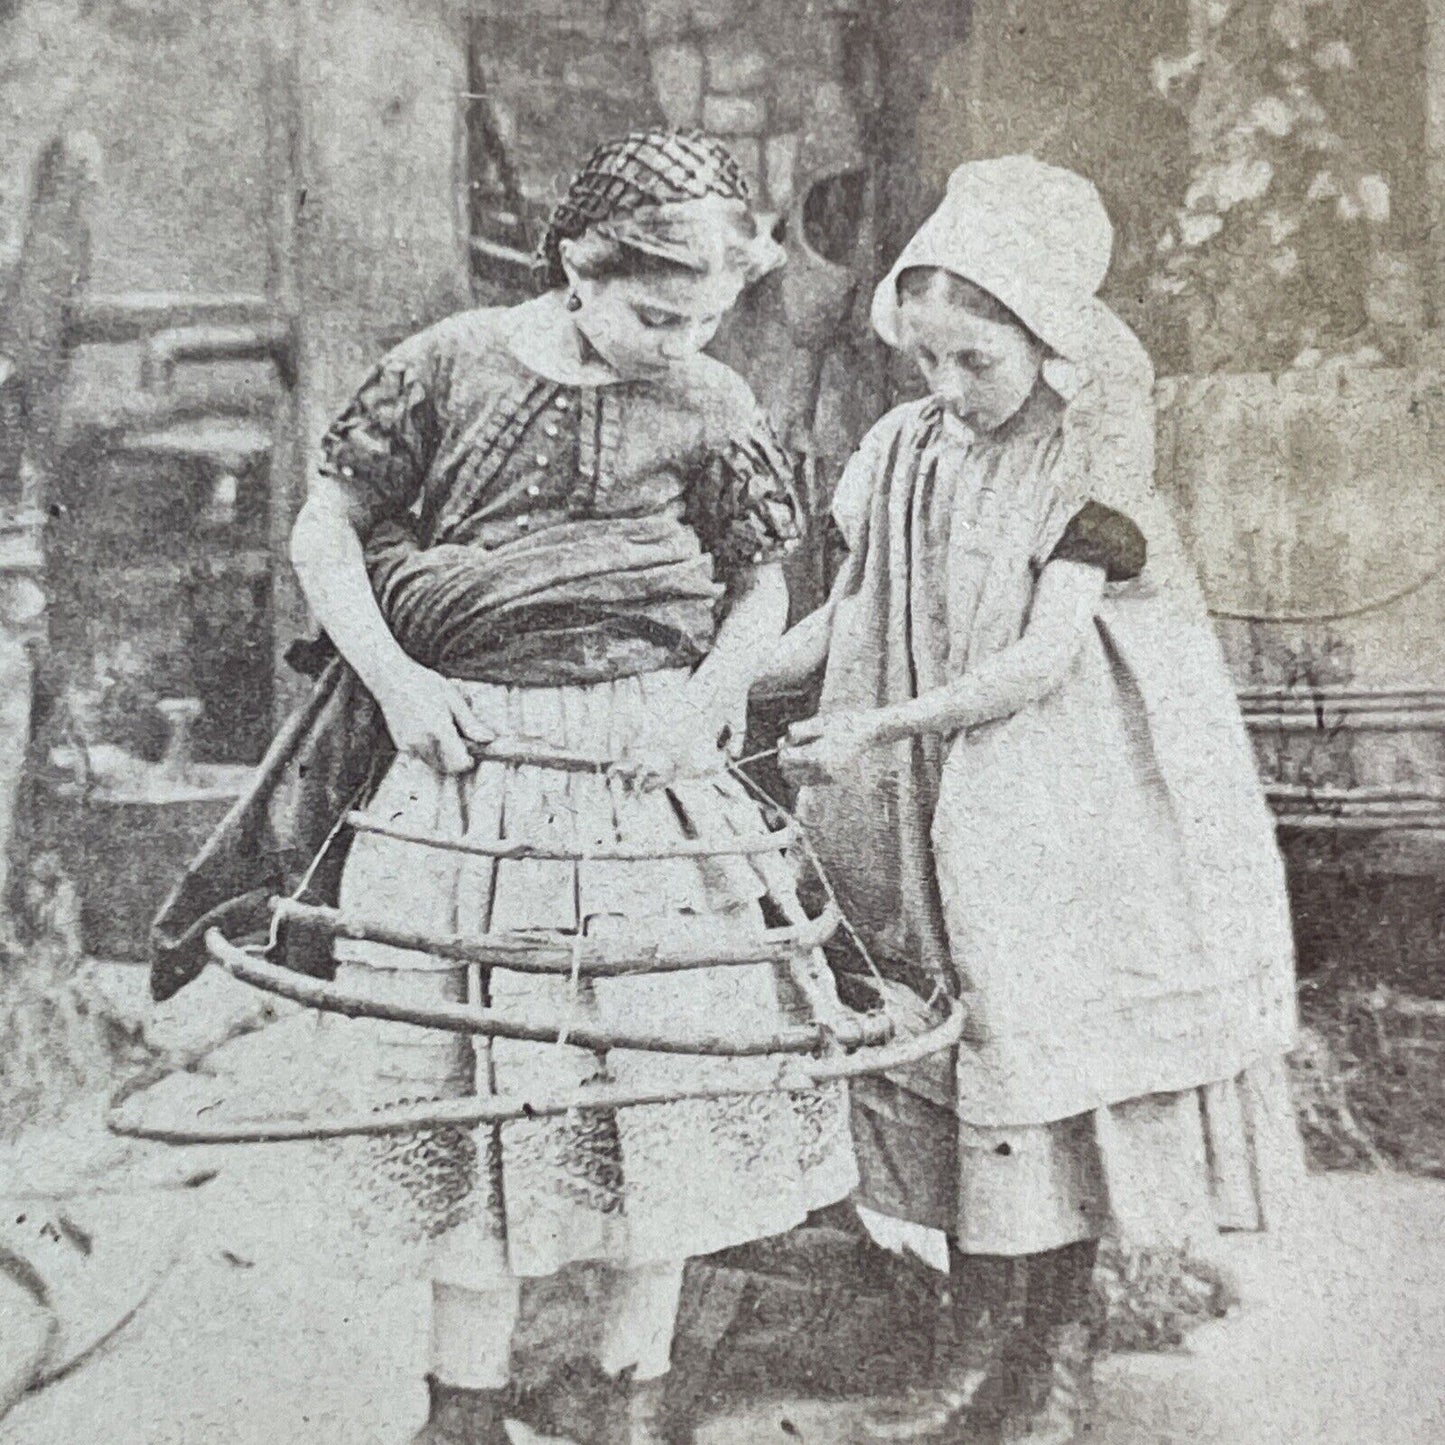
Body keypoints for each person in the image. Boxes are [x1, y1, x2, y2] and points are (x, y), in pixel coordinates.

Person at [154, 130, 856, 1445]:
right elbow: (327, 530)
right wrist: (402, 686)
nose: (680, 339)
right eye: (656, 311)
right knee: (466, 1069)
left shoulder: (706, 399)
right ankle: (460, 1412)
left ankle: (629, 1392)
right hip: (467, 765)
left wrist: (708, 700)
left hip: (640, 771)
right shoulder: (447, 364)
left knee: (655, 1078)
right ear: (577, 269)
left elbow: (762, 579)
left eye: (705, 316)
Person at [762, 156, 1302, 1444]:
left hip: (1066, 789)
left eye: (977, 363)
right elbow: (848, 617)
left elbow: (1047, 657)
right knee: (954, 1049)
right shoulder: (904, 449)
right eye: (926, 358)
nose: (947, 389)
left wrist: (880, 724)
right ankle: (980, 1357)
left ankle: (1038, 1366)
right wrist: (720, 671)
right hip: (931, 782)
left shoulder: (1090, 457)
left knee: (1032, 1042)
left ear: (1047, 347)